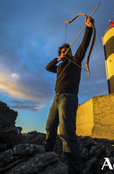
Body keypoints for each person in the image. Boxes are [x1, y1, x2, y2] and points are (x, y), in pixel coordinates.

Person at [44, 16, 94, 174]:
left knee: (66, 133)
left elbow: (84, 45)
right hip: (56, 98)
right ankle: (46, 158)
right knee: (50, 127)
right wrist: (57, 59)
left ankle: (74, 170)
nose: (66, 53)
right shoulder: (59, 67)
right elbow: (48, 67)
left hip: (68, 98)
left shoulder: (76, 61)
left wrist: (88, 28)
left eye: (68, 51)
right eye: (63, 51)